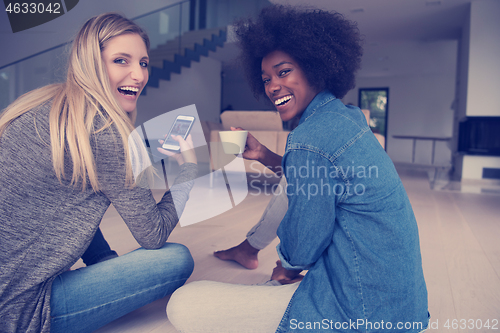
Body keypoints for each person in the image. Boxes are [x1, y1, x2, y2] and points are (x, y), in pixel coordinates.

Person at [167, 5, 429, 332]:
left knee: (183, 304)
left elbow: (304, 244)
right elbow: (320, 179)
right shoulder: (347, 117)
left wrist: (287, 270)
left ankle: (270, 279)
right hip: (401, 307)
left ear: (314, 67)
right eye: (266, 79)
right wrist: (263, 154)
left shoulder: (309, 138)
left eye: (284, 71)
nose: (273, 86)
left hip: (358, 310)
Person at [0, 13, 198, 333]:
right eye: (121, 60)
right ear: (92, 63)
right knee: (178, 258)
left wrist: (106, 264)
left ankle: (106, 263)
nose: (138, 74)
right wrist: (189, 167)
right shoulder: (106, 133)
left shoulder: (43, 105)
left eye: (144, 63)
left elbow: (67, 204)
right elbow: (153, 234)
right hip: (18, 311)